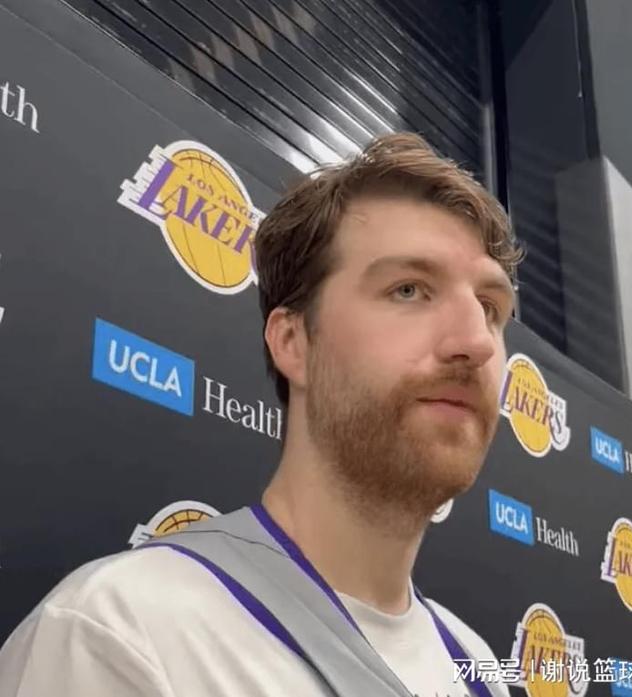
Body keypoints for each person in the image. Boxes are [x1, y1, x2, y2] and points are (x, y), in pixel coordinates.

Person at [0, 133, 522, 697]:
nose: (476, 341)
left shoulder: (475, 662)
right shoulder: (122, 635)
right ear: (293, 343)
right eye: (409, 290)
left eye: (489, 307)